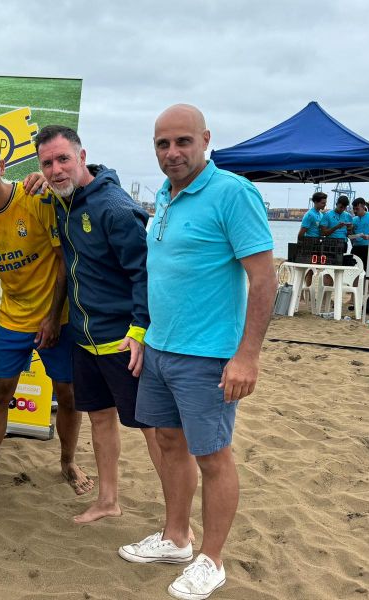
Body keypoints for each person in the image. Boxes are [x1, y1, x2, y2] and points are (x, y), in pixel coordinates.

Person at [121, 104, 276, 600]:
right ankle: (175, 538)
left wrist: (247, 355)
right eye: (163, 144)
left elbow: (264, 278)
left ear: (205, 139)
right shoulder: (165, 196)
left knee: (212, 456)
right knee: (167, 443)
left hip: (209, 355)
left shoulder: (232, 193)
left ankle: (212, 558)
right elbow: (165, 276)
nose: (172, 153)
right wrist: (144, 334)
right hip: (161, 349)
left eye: (182, 142)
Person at [0, 134, 93, 506]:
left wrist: (52, 316)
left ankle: (67, 462)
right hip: (13, 318)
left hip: (58, 317)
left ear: (2, 167)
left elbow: (64, 259)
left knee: (68, 396)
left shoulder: (35, 198)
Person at [35, 125, 162, 525]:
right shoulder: (64, 200)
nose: (56, 169)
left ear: (82, 156)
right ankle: (108, 499)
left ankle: (177, 520)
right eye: (47, 163)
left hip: (123, 340)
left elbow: (145, 275)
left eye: (63, 159)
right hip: (84, 337)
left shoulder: (115, 208)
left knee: (154, 430)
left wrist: (139, 330)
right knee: (101, 419)